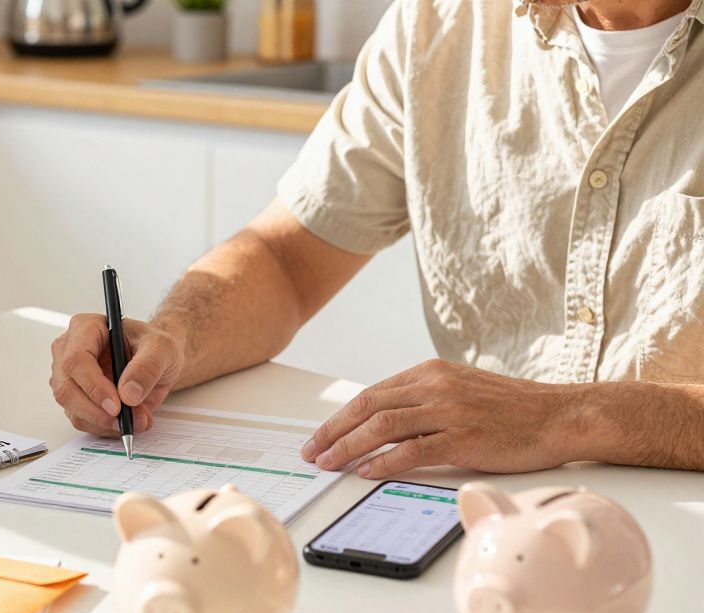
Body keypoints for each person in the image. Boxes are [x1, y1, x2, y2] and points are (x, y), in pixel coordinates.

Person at [50, 0, 704, 479]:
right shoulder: (439, 24)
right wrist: (173, 341)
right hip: (481, 515)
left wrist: (571, 417)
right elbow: (287, 258)